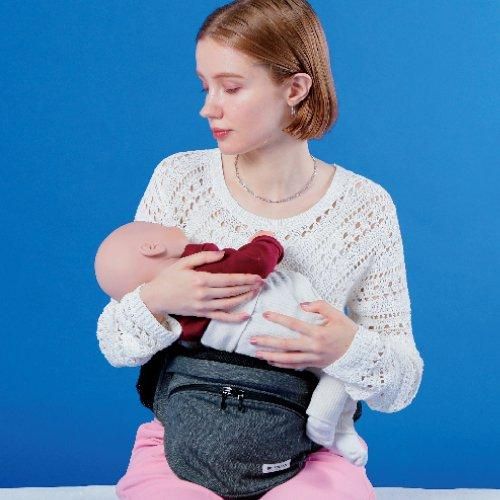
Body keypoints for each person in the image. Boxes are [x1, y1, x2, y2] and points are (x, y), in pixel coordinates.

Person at [96, 0, 424, 498]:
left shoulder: (365, 208)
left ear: (295, 88)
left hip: (302, 445)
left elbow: (401, 383)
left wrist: (345, 347)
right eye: (205, 87)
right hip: (182, 438)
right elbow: (114, 343)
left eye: (231, 87)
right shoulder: (179, 179)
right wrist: (158, 299)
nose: (209, 107)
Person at [94, 221, 368, 469]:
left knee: (336, 366)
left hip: (250, 354)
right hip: (279, 326)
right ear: (152, 247)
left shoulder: (173, 316)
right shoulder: (196, 268)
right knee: (337, 368)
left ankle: (334, 425)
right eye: (165, 228)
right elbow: (253, 263)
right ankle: (329, 423)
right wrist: (267, 242)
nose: (177, 228)